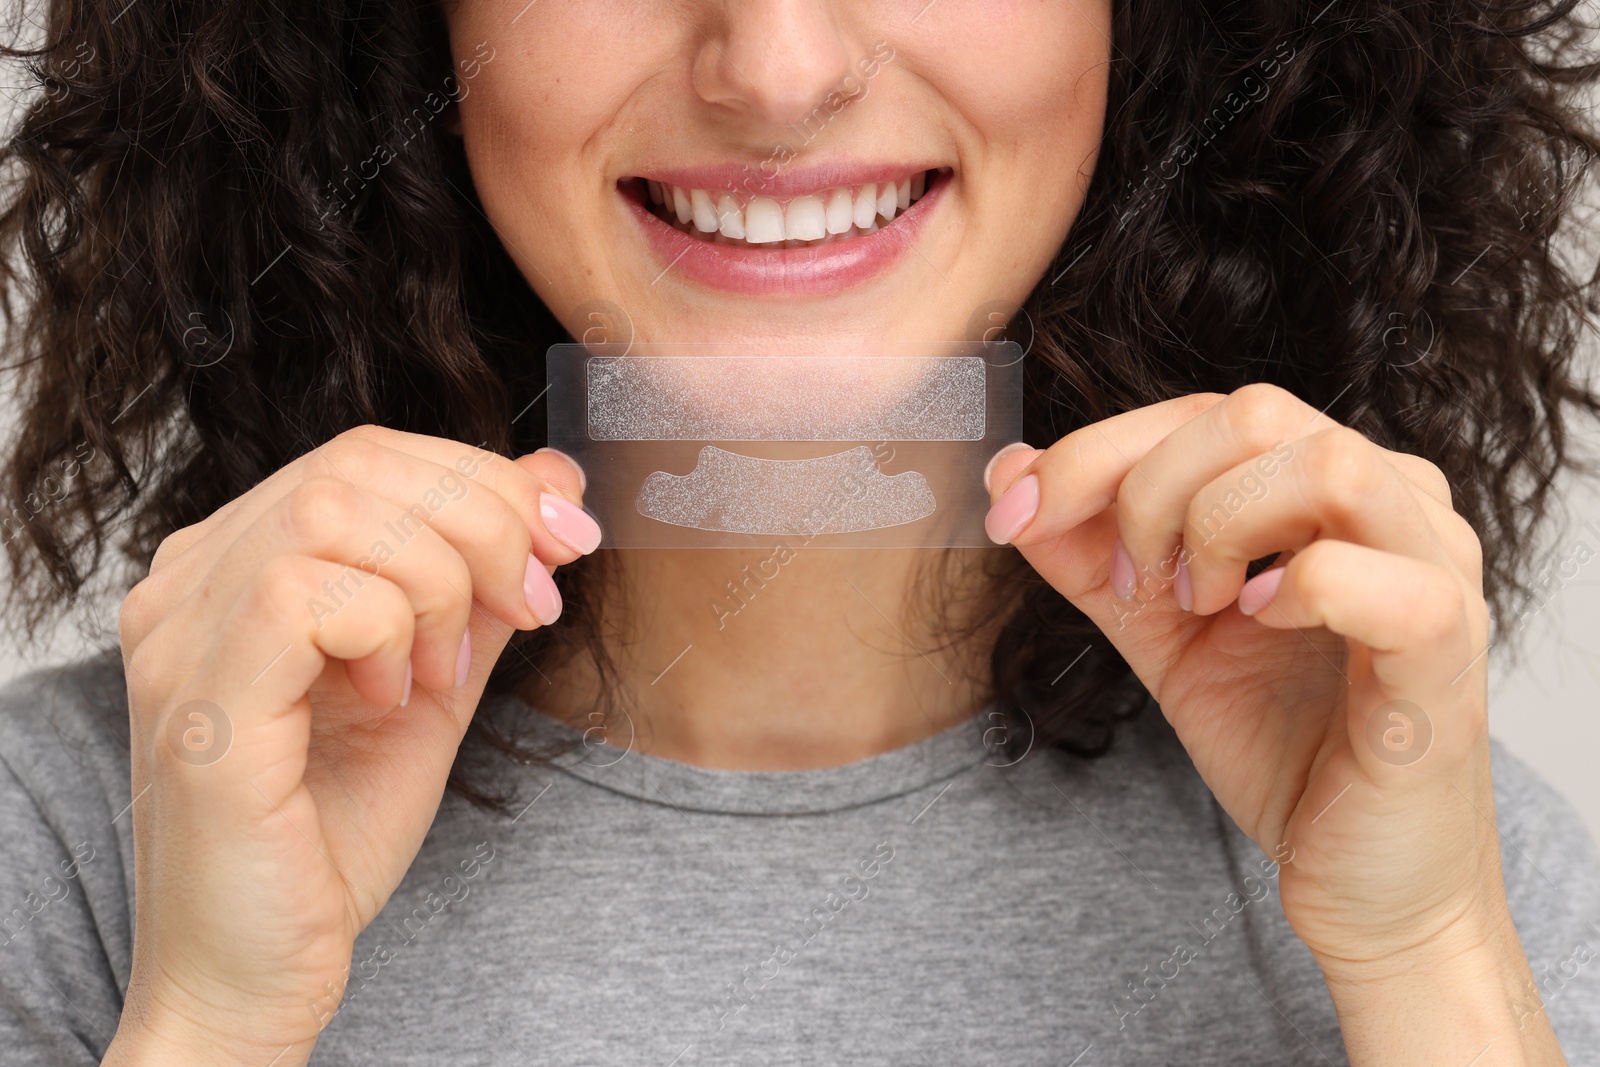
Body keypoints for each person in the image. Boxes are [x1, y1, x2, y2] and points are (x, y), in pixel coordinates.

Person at [1, 0, 1598, 1063]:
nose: (774, 71)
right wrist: (213, 1016)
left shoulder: (1432, 857)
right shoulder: (83, 851)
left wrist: (1432, 961)